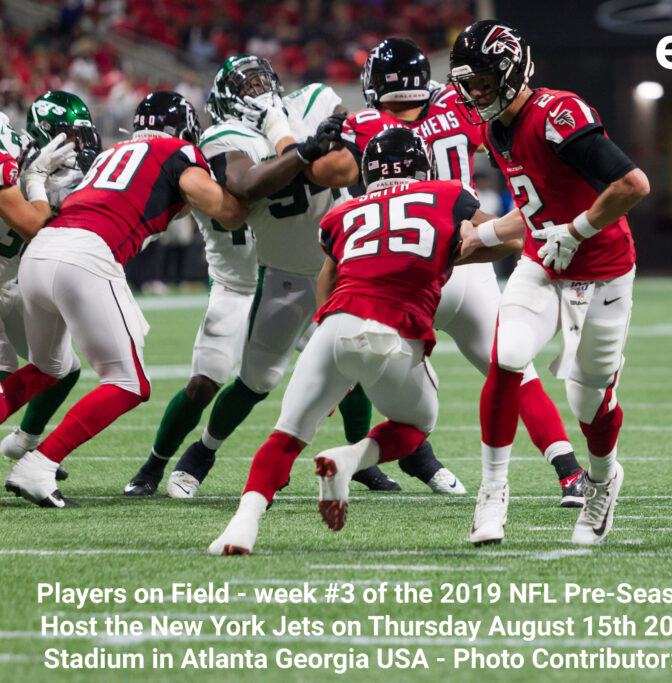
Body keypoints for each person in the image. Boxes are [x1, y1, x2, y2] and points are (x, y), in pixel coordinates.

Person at [123, 56, 416, 498]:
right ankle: (164, 462)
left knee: (356, 362)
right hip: (251, 277)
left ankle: (363, 459)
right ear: (224, 97)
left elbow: (342, 156)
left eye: (262, 79)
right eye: (246, 84)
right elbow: (245, 185)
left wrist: (303, 141)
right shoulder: (224, 136)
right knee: (227, 380)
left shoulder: (314, 100)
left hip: (328, 263)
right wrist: (299, 148)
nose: (257, 89)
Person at [208, 128, 482, 554]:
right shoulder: (448, 194)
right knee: (416, 426)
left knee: (285, 436)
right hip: (394, 330)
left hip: (335, 326)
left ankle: (240, 527)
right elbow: (504, 239)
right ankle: (351, 458)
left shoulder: (343, 213)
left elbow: (327, 279)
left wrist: (325, 345)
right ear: (422, 165)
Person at [336, 37, 585, 505]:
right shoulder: (458, 105)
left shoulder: (365, 124)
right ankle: (568, 471)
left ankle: (401, 456)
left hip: (407, 268)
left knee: (372, 372)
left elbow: (331, 174)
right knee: (515, 369)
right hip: (467, 252)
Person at [449, 21, 650, 545]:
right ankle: (492, 491)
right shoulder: (495, 130)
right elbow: (535, 210)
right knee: (508, 354)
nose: (477, 94)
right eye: (470, 85)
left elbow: (632, 184)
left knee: (589, 404)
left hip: (603, 270)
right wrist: (483, 235)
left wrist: (579, 230)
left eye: (486, 82)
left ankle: (603, 481)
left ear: (514, 72)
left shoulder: (557, 114)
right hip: (542, 264)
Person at [3, 91, 247, 508]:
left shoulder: (112, 154)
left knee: (49, 369)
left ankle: (30, 450)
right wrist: (246, 199)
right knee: (128, 383)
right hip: (86, 256)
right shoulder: (176, 149)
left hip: (40, 252)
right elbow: (215, 205)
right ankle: (38, 465)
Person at [1, 91, 104, 478]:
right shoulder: (21, 167)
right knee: (5, 376)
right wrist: (38, 179)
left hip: (13, 281)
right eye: (68, 134)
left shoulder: (47, 167)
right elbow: (36, 228)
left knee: (62, 366)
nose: (77, 143)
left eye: (80, 134)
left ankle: (26, 441)